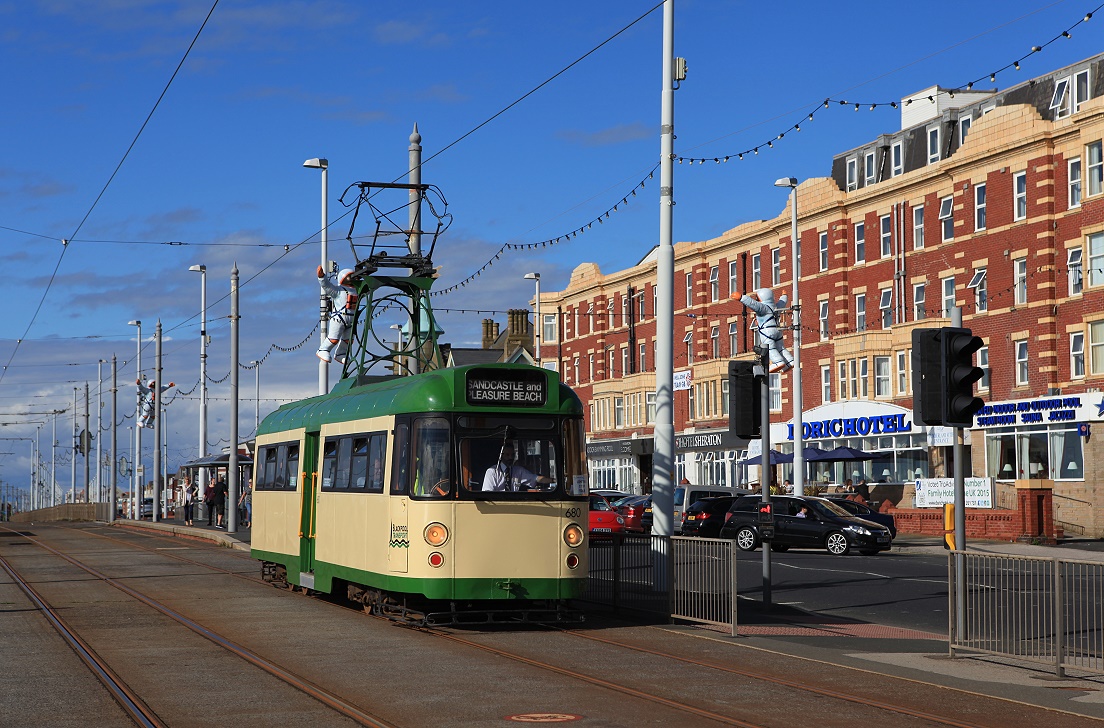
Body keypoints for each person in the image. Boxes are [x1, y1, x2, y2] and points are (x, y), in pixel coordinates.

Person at [731, 288, 794, 373]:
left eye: (757, 298)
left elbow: (752, 303)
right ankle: (790, 361)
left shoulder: (763, 308)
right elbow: (782, 303)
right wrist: (784, 296)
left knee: (770, 348)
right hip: (777, 331)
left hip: (767, 331)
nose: (757, 300)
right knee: (781, 348)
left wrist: (741, 297)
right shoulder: (775, 307)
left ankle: (778, 362)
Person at [316, 265, 357, 364]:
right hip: (339, 318)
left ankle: (341, 354)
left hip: (352, 320)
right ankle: (323, 349)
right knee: (334, 338)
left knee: (348, 340)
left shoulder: (357, 290)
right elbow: (327, 286)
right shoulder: (338, 290)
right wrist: (322, 277)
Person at [482, 443, 551, 492]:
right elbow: (488, 493)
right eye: (507, 455)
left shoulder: (518, 471)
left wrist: (553, 480)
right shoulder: (492, 472)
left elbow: (536, 478)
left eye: (512, 455)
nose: (510, 457)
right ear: (501, 456)